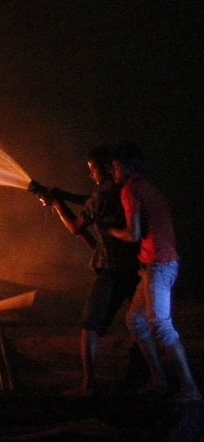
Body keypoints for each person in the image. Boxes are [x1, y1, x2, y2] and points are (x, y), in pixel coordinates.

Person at [35, 145, 140, 395]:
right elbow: (89, 201)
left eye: (93, 170)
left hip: (110, 268)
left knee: (89, 324)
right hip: (134, 267)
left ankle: (87, 385)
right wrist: (63, 195)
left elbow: (75, 226)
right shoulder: (122, 190)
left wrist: (57, 204)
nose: (90, 175)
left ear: (105, 169)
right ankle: (141, 375)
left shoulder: (101, 198)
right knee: (138, 323)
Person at [107, 142, 201, 403]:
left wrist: (110, 231)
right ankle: (159, 381)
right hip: (157, 265)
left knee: (160, 325)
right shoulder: (147, 187)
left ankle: (191, 390)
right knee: (135, 321)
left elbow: (133, 233)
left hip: (158, 266)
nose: (112, 171)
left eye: (115, 166)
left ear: (126, 167)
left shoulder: (130, 190)